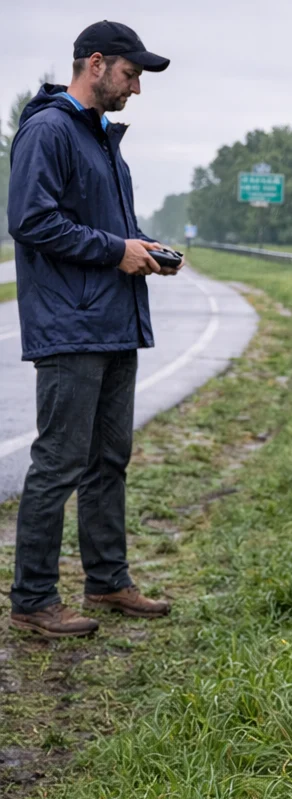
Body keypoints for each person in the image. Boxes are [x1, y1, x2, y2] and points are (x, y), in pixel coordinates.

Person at [6, 22, 180, 638]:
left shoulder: (101, 138)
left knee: (109, 459)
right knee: (59, 462)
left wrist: (143, 249)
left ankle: (107, 582)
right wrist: (116, 251)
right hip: (71, 327)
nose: (136, 88)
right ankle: (32, 598)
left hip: (111, 321)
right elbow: (30, 221)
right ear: (97, 64)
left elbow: (105, 226)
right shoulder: (49, 129)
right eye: (132, 75)